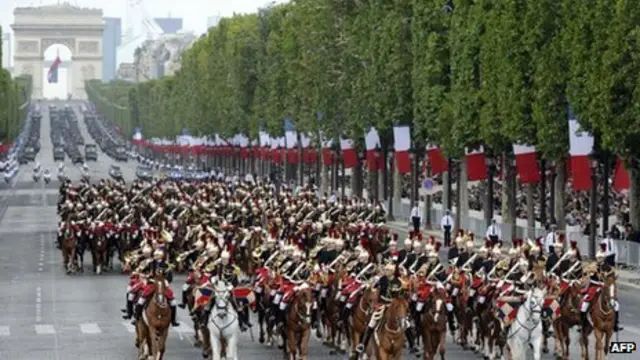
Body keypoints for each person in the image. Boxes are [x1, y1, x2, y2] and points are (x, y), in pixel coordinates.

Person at [356, 262, 403, 354]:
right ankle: (363, 344)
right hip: (382, 304)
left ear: (392, 272)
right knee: (372, 321)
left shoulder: (398, 282)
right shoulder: (382, 279)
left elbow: (400, 296)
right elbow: (375, 288)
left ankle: (413, 344)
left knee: (406, 322)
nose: (386, 271)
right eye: (385, 270)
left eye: (388, 270)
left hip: (393, 305)